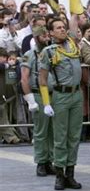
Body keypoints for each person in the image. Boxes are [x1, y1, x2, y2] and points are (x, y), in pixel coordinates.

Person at [38, 16, 83, 190]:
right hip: (61, 96)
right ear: (50, 33)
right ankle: (59, 174)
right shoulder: (48, 52)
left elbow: (74, 20)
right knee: (60, 136)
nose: (62, 30)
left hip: (76, 94)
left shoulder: (72, 46)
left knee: (74, 136)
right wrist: (47, 103)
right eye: (58, 28)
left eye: (63, 27)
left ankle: (70, 174)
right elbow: (42, 79)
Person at [21, 26, 55, 177]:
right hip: (39, 95)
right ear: (35, 38)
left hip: (54, 94)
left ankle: (50, 161)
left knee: (52, 131)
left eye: (47, 35)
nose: (47, 38)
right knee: (41, 132)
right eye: (43, 36)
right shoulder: (30, 55)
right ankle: (41, 162)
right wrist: (30, 100)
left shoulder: (52, 52)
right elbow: (24, 78)